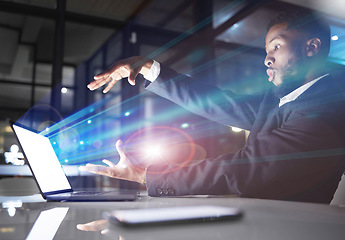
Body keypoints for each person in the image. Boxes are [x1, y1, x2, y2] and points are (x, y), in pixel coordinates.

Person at [80, 9, 345, 204]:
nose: (267, 59)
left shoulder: (326, 113)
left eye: (276, 46)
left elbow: (244, 170)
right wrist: (148, 67)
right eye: (266, 50)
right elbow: (217, 103)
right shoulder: (283, 101)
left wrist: (147, 176)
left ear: (311, 48)